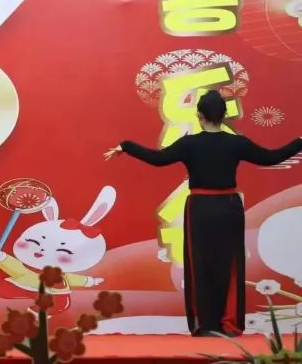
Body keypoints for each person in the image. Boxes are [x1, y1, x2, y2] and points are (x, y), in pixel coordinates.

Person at [105, 89, 302, 337]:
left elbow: (158, 159)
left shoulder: (189, 143)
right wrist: (299, 141)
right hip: (229, 208)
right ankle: (229, 323)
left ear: (199, 116)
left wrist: (126, 146)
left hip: (200, 208)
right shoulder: (237, 143)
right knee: (229, 265)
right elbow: (271, 158)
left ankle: (205, 324)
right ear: (225, 115)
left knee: (200, 265)